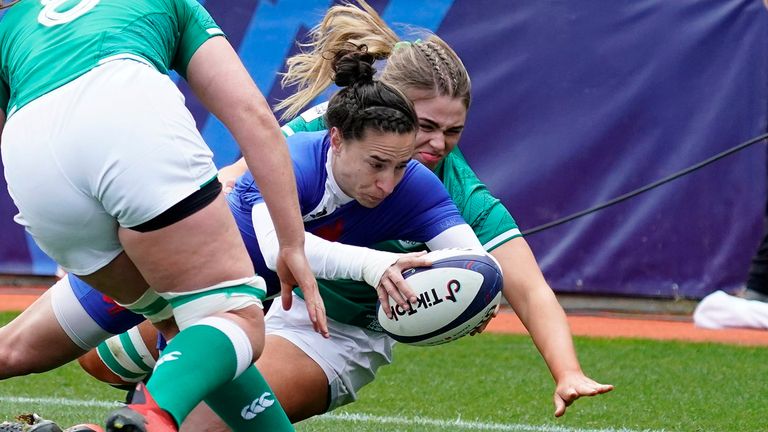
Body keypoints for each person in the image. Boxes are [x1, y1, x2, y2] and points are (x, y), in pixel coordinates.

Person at [81, 1, 613, 428]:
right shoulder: (327, 135)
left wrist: (566, 371)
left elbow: (527, 286)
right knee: (95, 357)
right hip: (256, 284)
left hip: (333, 331)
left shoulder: (454, 192)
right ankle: (157, 382)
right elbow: (230, 181)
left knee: (201, 422)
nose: (438, 143)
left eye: (453, 131)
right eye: (425, 125)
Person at [0, 1, 325, 431]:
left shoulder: (12, 20)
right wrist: (291, 242)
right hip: (126, 117)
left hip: (33, 164)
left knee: (188, 327)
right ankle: (153, 414)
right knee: (237, 320)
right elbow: (253, 117)